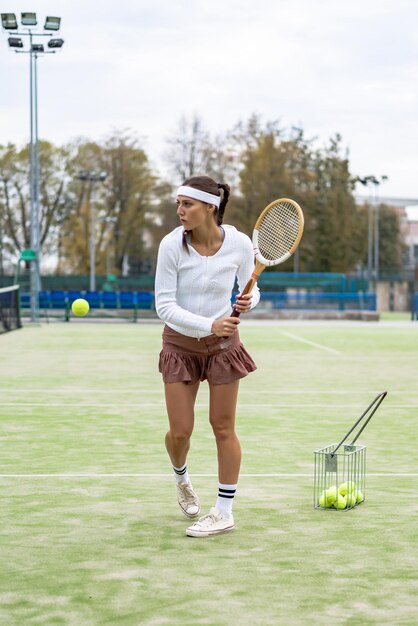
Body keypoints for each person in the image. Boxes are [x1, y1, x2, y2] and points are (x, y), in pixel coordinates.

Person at [154, 175, 260, 537]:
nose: (180, 211)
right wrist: (209, 324)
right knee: (180, 432)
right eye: (179, 204)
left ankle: (224, 511)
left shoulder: (241, 244)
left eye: (187, 204)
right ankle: (181, 478)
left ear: (209, 207)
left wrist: (249, 300)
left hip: (223, 349)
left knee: (223, 427)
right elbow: (164, 306)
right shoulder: (171, 245)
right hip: (180, 347)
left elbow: (251, 287)